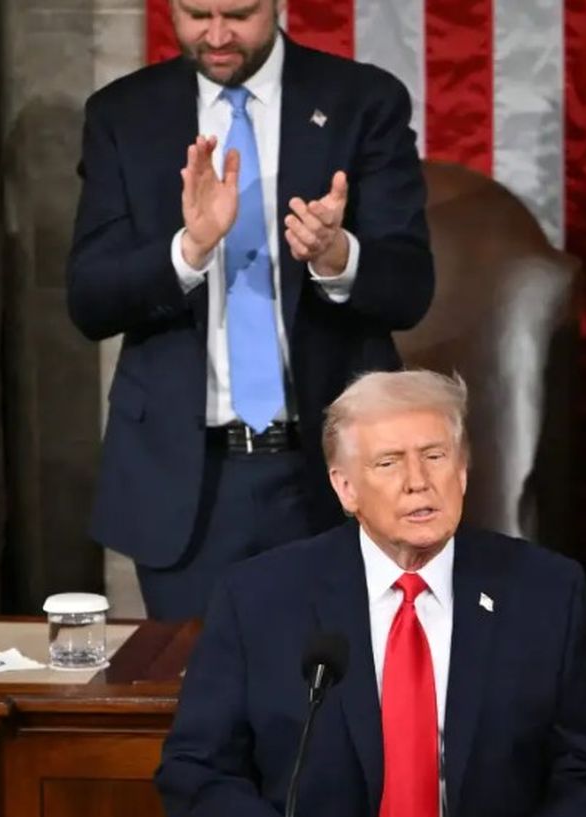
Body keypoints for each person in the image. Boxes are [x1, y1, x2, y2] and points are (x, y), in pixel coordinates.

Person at [155, 370, 586, 817]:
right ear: (345, 487)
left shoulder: (543, 591)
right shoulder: (259, 598)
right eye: (388, 462)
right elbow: (194, 769)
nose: (418, 481)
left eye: (435, 455)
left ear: (464, 470)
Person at [67, 0, 434, 620]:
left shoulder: (361, 101)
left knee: (337, 698)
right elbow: (90, 301)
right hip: (189, 481)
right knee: (207, 701)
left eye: (237, 14)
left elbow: (410, 289)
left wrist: (335, 254)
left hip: (331, 471)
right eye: (195, 14)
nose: (215, 36)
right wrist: (189, 250)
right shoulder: (123, 115)